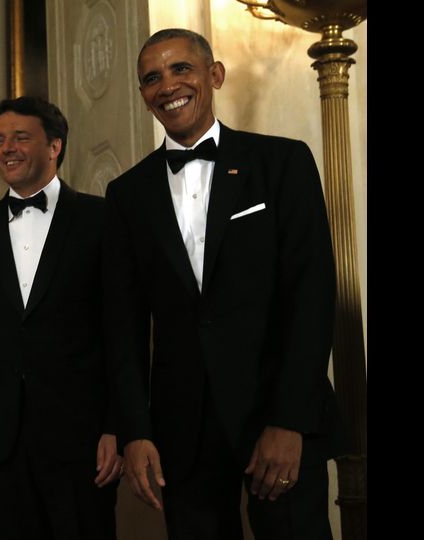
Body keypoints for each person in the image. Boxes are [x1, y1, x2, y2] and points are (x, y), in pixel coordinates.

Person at [103, 28, 343, 539]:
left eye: (180, 69)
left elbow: (312, 296)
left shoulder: (283, 163)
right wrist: (136, 433)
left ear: (214, 75)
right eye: (151, 78)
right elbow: (122, 326)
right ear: (143, 95)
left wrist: (291, 420)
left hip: (276, 416)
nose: (167, 85)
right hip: (181, 433)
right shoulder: (126, 194)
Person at [0, 96, 122, 540]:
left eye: (21, 138)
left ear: (55, 146)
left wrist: (118, 427)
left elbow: (121, 331)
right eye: (0, 140)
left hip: (81, 440)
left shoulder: (101, 219)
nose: (6, 148)